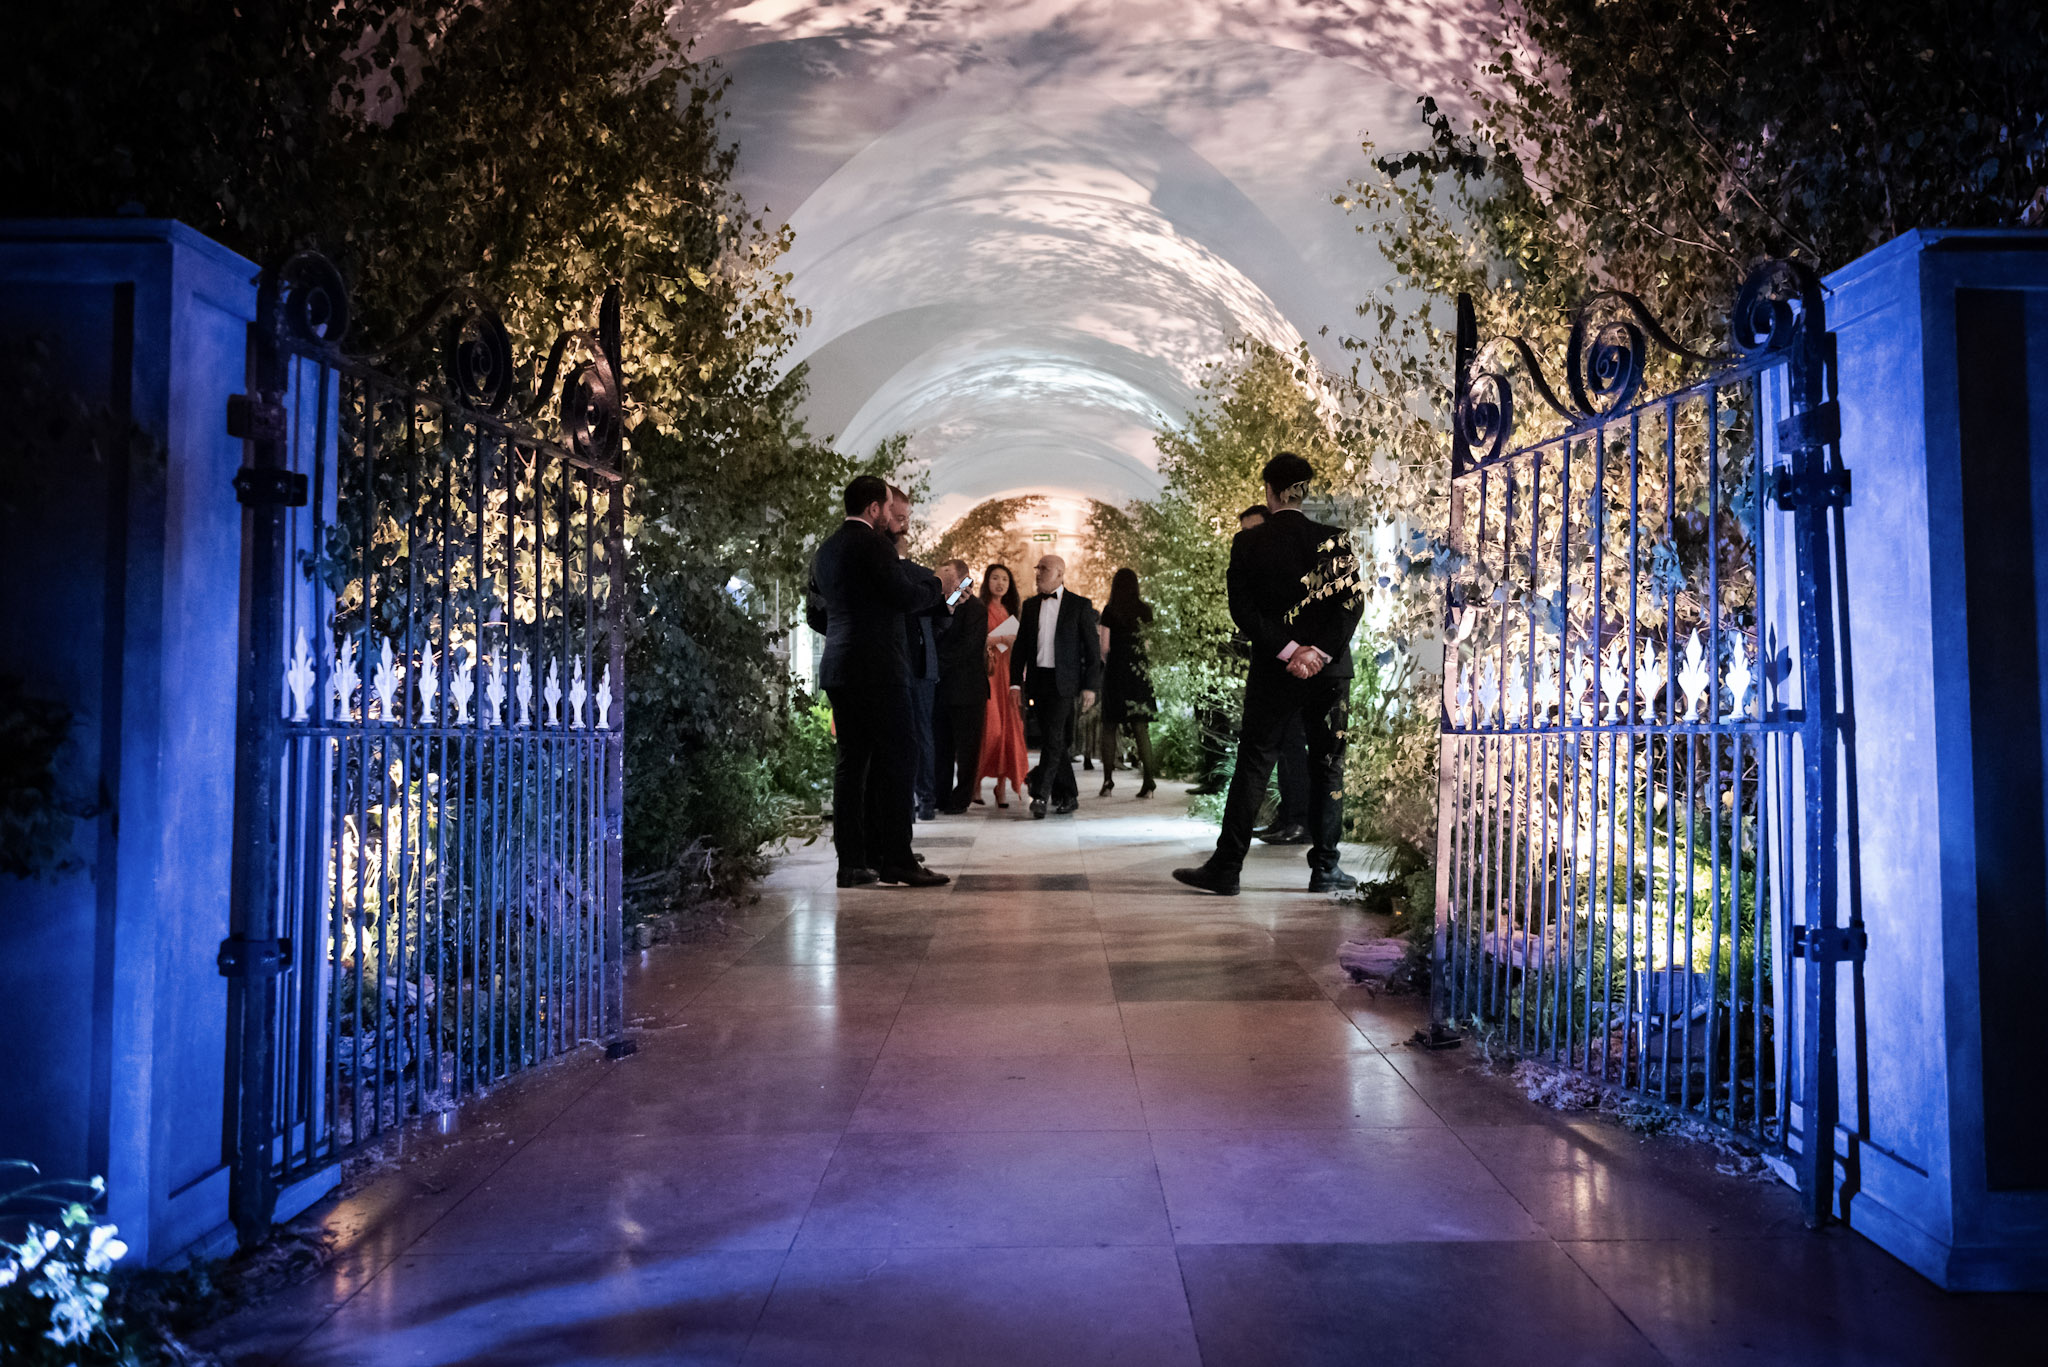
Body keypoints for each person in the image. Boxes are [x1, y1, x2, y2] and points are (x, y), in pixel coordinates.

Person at [1174, 452, 1364, 895]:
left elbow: (1243, 611)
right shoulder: (1334, 541)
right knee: (1328, 767)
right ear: (1305, 490)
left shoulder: (1249, 543)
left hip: (1272, 673)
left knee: (1255, 764)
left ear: (1269, 492)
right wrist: (1316, 652)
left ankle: (1227, 868)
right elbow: (1351, 606)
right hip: (1330, 673)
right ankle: (1326, 869)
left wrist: (1289, 649)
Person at [805, 475, 949, 888]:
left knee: (852, 765)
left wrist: (846, 633)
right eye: (889, 508)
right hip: (880, 671)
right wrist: (938, 586)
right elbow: (904, 597)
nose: (891, 516)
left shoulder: (826, 550)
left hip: (839, 668)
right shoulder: (873, 545)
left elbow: (816, 613)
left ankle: (852, 862)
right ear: (874, 509)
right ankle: (897, 859)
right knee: (900, 757)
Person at [1236, 504, 1312, 846]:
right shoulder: (1257, 574)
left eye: (1254, 532)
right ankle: (1288, 818)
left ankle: (1298, 820)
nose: (1250, 541)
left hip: (1296, 670)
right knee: (1282, 748)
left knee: (1292, 746)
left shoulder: (1286, 569)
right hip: (1272, 667)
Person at [1010, 554, 1101, 818]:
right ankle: (1069, 795)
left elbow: (1092, 651)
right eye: (1037, 568)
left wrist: (1090, 686)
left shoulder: (1079, 605)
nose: (1038, 573)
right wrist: (1015, 683)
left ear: (1060, 573)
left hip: (1065, 683)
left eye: (1044, 569)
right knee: (1057, 740)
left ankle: (1040, 794)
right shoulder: (1029, 606)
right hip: (1038, 682)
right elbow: (1020, 649)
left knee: (1052, 738)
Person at [1095, 567, 1158, 799]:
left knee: (1110, 726)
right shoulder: (1145, 610)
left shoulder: (1110, 611)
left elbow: (1104, 648)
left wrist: (1111, 662)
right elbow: (1150, 645)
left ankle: (1108, 782)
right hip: (1138, 673)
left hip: (1115, 672)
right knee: (1141, 728)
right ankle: (1149, 782)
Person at [932, 558, 988, 813]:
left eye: (946, 578)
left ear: (962, 580)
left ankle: (961, 798)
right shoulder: (939, 605)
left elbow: (967, 647)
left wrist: (935, 663)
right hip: (940, 688)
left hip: (967, 690)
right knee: (941, 747)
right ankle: (939, 796)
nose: (940, 582)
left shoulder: (976, 608)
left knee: (967, 750)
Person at [974, 563, 1030, 807]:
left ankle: (1001, 787)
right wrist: (1000, 639)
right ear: (987, 582)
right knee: (990, 731)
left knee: (1009, 730)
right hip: (988, 675)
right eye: (995, 578)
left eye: (1004, 580)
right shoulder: (978, 609)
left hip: (1007, 675)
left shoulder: (1010, 611)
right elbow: (974, 640)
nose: (999, 583)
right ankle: (974, 786)